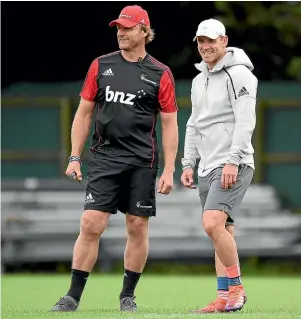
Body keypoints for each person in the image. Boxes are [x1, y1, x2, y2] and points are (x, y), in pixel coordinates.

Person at [50, 5, 178, 312]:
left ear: (144, 32)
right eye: (118, 27)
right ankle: (72, 297)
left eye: (128, 27)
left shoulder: (160, 73)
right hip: (105, 158)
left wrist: (170, 169)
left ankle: (127, 297)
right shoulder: (100, 65)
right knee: (90, 224)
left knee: (137, 226)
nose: (120, 32)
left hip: (142, 162)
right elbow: (83, 113)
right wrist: (74, 156)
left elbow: (170, 123)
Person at [181, 18, 258, 313]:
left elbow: (245, 120)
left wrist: (232, 160)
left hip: (232, 163)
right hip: (206, 165)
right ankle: (223, 296)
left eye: (211, 40)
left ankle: (237, 288)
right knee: (220, 230)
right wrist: (188, 162)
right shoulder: (199, 80)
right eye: (201, 41)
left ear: (224, 41)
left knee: (212, 222)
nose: (205, 46)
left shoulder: (241, 75)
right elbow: (193, 123)